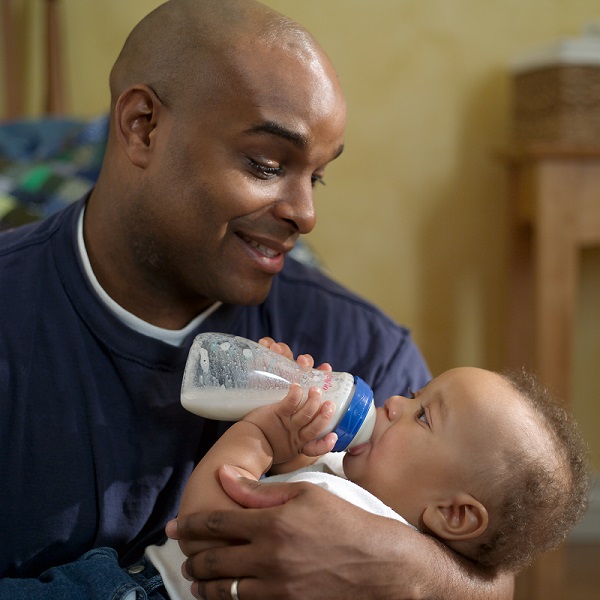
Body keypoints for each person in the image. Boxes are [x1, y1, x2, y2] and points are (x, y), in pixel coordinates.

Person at [0, 0, 516, 598]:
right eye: (267, 164)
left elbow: (495, 575)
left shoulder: (359, 346)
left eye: (316, 177)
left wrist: (402, 567)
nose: (306, 213)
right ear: (144, 125)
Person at [158, 347, 588, 599]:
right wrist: (294, 440)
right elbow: (292, 483)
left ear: (454, 514)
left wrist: (260, 436)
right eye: (415, 394)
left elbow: (205, 523)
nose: (395, 403)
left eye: (423, 416)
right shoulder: (363, 495)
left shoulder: (345, 525)